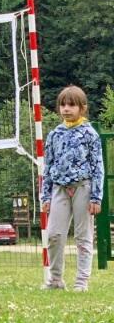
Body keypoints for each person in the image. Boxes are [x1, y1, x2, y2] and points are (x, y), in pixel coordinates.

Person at [41, 85, 105, 291]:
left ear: (82, 108)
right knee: (54, 234)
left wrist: (96, 197)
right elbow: (48, 166)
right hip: (59, 189)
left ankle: (81, 282)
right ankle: (56, 280)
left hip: (83, 189)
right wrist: (45, 196)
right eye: (62, 105)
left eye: (71, 105)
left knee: (82, 236)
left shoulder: (89, 134)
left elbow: (97, 167)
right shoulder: (54, 135)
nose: (66, 109)